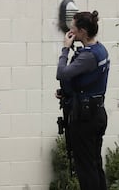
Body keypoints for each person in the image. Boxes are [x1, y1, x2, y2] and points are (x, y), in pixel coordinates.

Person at [56, 10, 109, 190]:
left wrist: (65, 49)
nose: (70, 30)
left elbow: (61, 73)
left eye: (74, 28)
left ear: (83, 31)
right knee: (94, 164)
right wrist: (68, 93)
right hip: (96, 112)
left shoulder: (88, 55)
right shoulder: (100, 49)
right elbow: (87, 82)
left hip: (85, 118)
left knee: (86, 168)